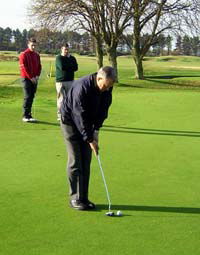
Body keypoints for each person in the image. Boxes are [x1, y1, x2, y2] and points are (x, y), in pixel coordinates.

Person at [60, 66, 116, 210]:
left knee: (86, 160)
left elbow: (103, 110)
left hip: (88, 123)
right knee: (76, 160)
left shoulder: (107, 88)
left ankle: (83, 197)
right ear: (98, 78)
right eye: (105, 85)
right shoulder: (81, 88)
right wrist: (90, 139)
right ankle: (75, 198)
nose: (106, 89)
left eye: (110, 86)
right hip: (70, 122)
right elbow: (80, 117)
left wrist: (96, 132)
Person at [19, 38, 42, 122]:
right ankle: (25, 115)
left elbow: (39, 66)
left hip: (34, 78)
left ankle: (29, 115)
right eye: (32, 45)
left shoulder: (36, 55)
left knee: (32, 96)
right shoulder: (23, 54)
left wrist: (37, 76)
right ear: (28, 45)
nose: (33, 47)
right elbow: (23, 68)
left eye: (35, 45)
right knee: (27, 96)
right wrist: (31, 77)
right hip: (26, 78)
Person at [55, 43, 78, 120]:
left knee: (69, 99)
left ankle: (68, 114)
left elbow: (76, 68)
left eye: (67, 49)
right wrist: (70, 65)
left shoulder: (72, 58)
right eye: (65, 49)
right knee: (61, 99)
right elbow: (62, 67)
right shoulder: (59, 58)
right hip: (60, 81)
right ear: (61, 49)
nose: (66, 51)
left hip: (70, 81)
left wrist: (69, 64)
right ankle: (60, 115)